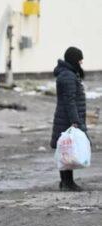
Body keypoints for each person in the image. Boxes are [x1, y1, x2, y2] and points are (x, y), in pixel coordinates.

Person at [50, 47, 87, 191]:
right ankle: (66, 183)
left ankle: (67, 182)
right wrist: (75, 120)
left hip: (67, 117)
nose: (81, 62)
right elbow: (69, 101)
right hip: (66, 119)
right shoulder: (68, 76)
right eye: (79, 59)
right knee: (66, 150)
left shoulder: (69, 74)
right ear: (73, 59)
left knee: (68, 150)